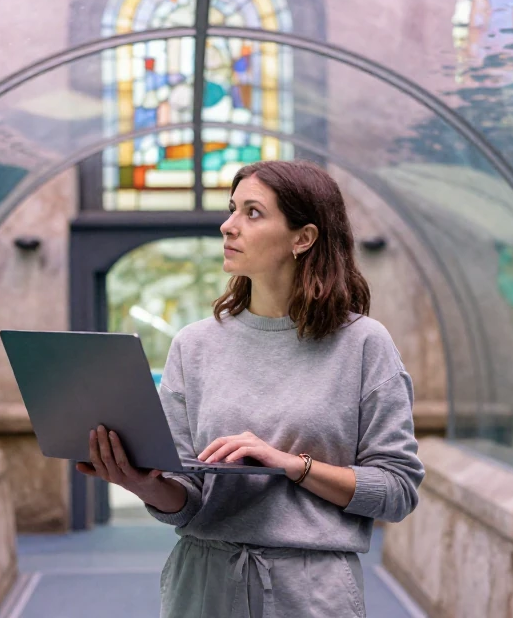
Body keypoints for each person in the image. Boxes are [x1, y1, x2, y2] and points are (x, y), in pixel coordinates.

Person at [77, 160, 425, 617]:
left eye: (252, 212)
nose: (228, 225)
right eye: (231, 209)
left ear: (303, 238)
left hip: (312, 593)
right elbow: (185, 499)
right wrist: (143, 485)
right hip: (202, 587)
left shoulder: (364, 344)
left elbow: (398, 490)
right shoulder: (195, 345)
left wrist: (290, 465)